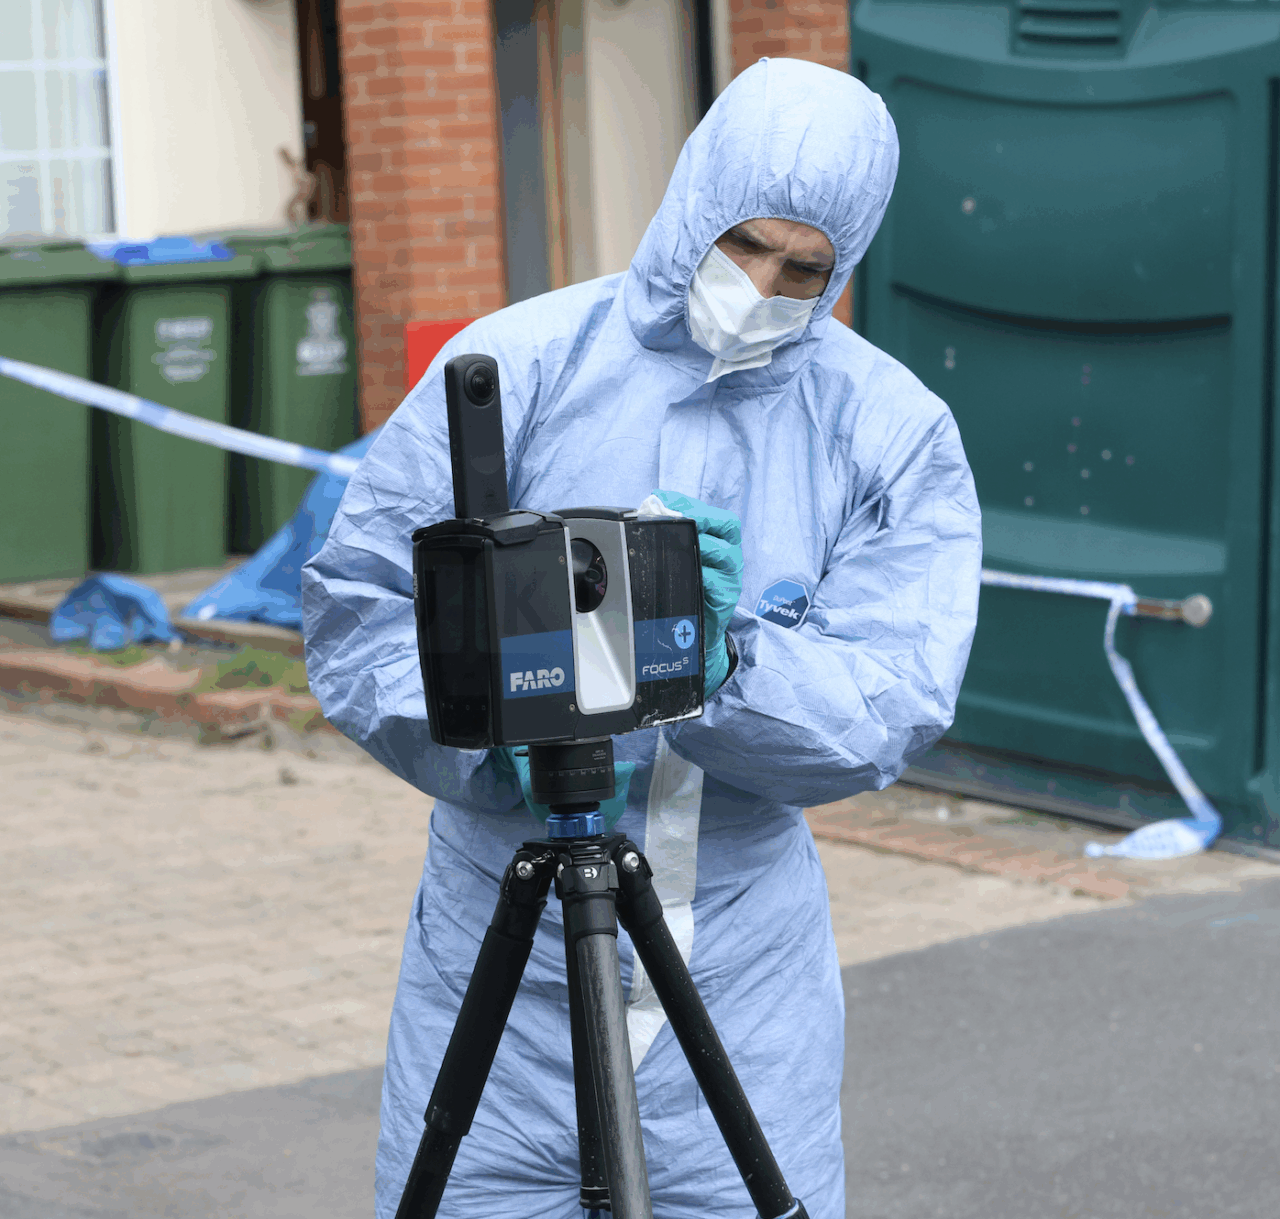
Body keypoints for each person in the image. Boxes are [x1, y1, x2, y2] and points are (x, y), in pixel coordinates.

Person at [302, 56, 981, 1219]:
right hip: (498, 962)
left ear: (844, 268)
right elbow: (361, 607)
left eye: (803, 267)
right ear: (693, 201)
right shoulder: (515, 372)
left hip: (737, 975)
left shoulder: (887, 434)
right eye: (743, 245)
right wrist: (473, 723)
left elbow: (890, 698)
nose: (762, 284)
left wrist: (726, 669)